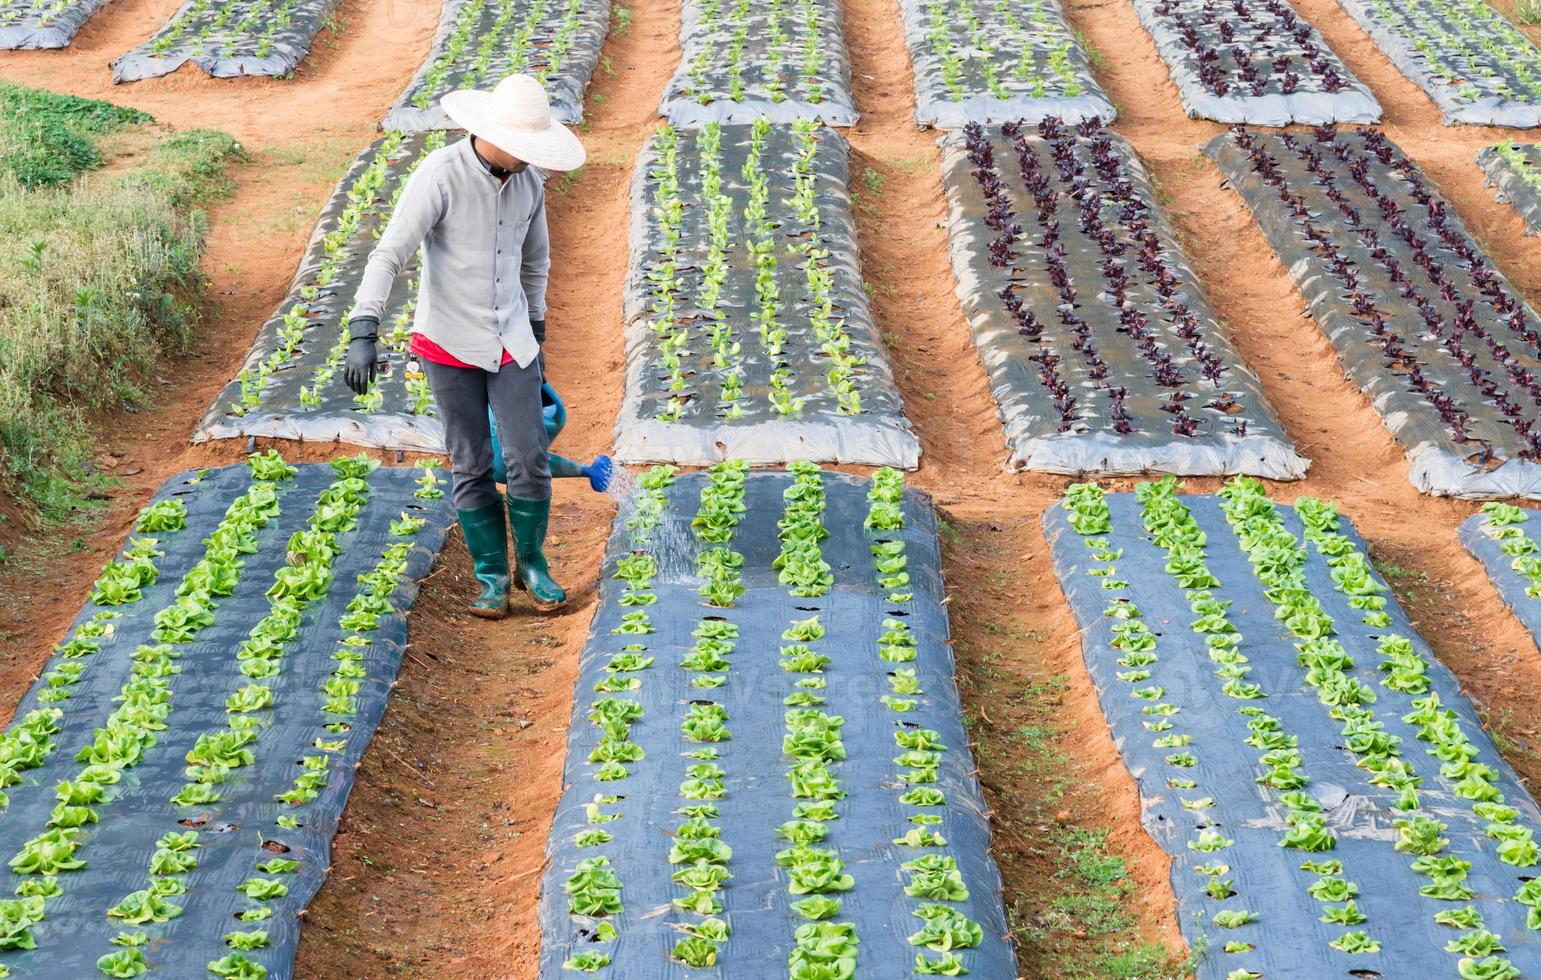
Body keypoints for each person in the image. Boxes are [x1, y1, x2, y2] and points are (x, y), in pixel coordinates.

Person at [343, 74, 586, 618]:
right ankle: (492, 577)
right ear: (491, 133)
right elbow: (390, 253)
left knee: (528, 455)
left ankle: (532, 565)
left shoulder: (530, 184)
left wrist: (538, 331)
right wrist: (364, 329)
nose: (529, 157)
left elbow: (534, 261)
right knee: (471, 461)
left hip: (512, 341)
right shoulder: (441, 176)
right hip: (448, 341)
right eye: (524, 147)